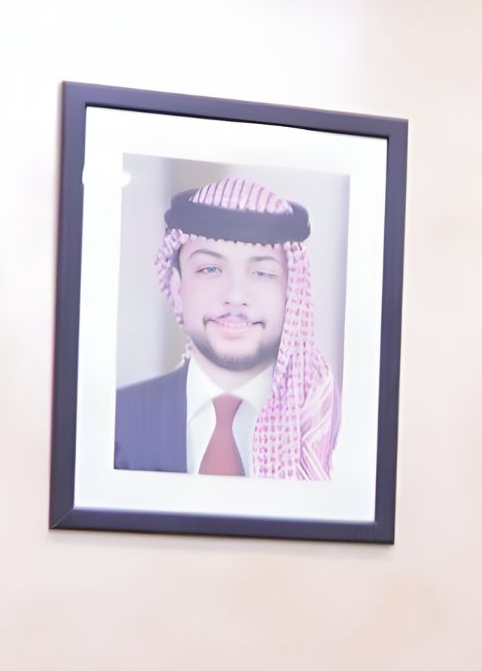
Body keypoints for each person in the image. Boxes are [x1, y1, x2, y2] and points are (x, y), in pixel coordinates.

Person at [109, 176, 337, 478]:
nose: (235, 296)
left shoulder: (329, 431)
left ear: (291, 293)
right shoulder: (113, 421)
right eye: (210, 269)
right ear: (177, 288)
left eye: (262, 273)